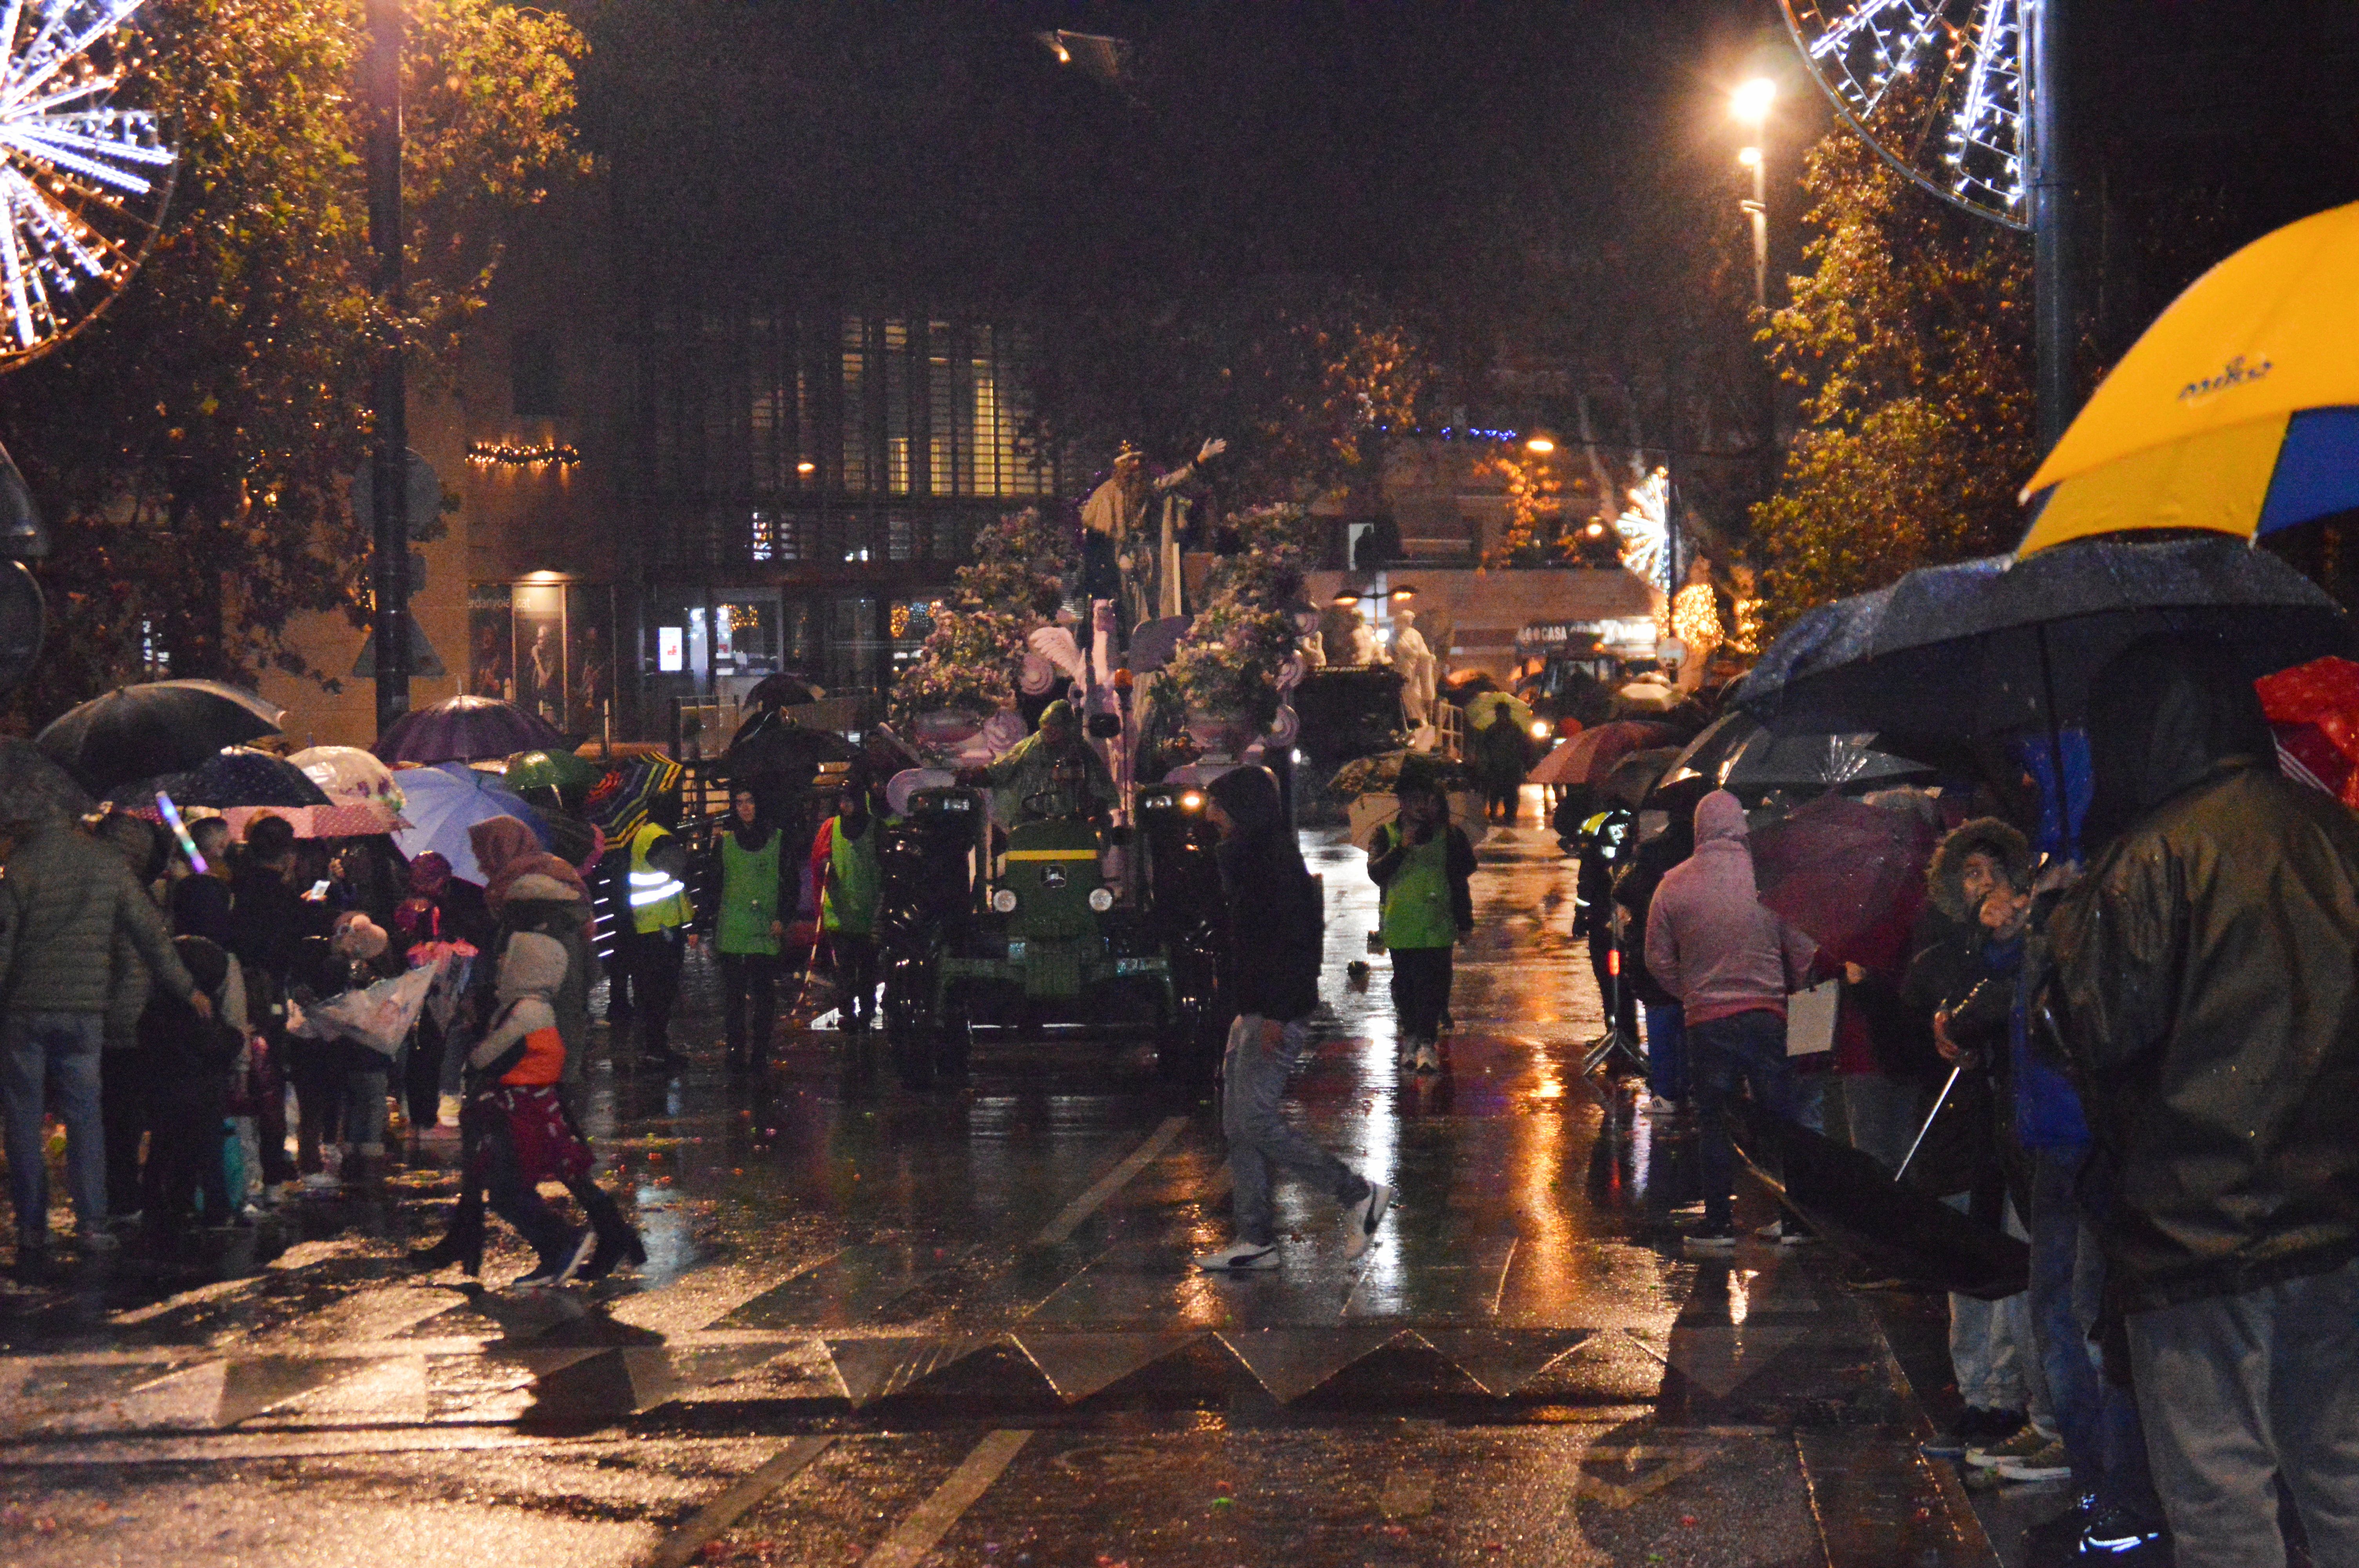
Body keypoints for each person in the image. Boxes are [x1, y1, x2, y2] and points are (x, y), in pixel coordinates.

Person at [2045, 635, 2359, 1568]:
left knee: (2218, 1488)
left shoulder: (2146, 859)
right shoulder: (2335, 837)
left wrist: (2060, 926)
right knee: (2339, 1464)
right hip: (2338, 1218)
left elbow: (2084, 1032)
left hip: (2192, 1228)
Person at [1194, 765, 1392, 1271]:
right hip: (1257, 1009)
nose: (1211, 814)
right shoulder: (1250, 859)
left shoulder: (1272, 866)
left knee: (1255, 1120)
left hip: (1275, 1011)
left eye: (1217, 804)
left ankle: (1357, 1195)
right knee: (1239, 1125)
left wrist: (1275, 1014)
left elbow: (1292, 946)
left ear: (1242, 808)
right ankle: (1255, 1238)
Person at [0, 804, 206, 1260]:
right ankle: (92, 1222)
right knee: (85, 1116)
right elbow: (150, 935)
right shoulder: (107, 865)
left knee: (22, 1118)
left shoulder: (22, 863)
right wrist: (188, 988)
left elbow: (5, 941)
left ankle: (32, 1228)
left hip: (25, 1010)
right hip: (85, 1012)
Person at [1643, 789, 1819, 1254]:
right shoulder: (1768, 879)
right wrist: (1792, 988)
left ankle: (1719, 1222)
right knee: (1778, 1120)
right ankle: (1794, 1218)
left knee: (1714, 1119)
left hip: (1707, 1021)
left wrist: (1690, 993)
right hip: (1767, 1016)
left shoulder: (1673, 885)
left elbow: (1656, 958)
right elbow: (1801, 950)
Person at [457, 932, 600, 1287]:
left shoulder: (525, 1012)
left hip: (519, 1113)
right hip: (527, 1108)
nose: (503, 961)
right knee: (511, 1188)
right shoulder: (534, 1008)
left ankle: (561, 1244)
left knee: (507, 1190)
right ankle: (557, 1250)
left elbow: (483, 1057)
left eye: (512, 957)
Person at [227, 814, 318, 1196]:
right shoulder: (286, 899)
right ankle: (272, 1178)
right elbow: (295, 949)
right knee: (271, 1081)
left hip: (230, 994)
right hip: (271, 999)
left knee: (236, 1080)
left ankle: (236, 1174)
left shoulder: (232, 890)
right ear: (287, 855)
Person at [1367, 771, 1472, 1074]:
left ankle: (1428, 1041)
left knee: (1436, 985)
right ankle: (1411, 1036)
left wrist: (1465, 922)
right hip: (1402, 923)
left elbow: (1460, 879)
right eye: (1413, 800)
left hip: (1438, 924)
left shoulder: (1450, 835)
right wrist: (1403, 847)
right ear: (1400, 803)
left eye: (1427, 800)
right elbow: (1377, 873)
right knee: (1406, 984)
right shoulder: (1386, 835)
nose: (1421, 807)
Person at [137, 935, 244, 1230]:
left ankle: (160, 1204)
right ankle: (216, 1209)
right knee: (209, 1154)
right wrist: (236, 1037)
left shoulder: (156, 1012)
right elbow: (222, 1045)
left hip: (164, 1093)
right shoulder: (203, 1015)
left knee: (163, 1149)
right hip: (204, 1094)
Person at [94, 809, 169, 1221]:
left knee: (110, 1115)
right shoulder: (135, 895)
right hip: (130, 1021)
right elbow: (140, 965)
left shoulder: (96, 888)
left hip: (102, 1016)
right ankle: (126, 1197)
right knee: (125, 1116)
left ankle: (113, 1195)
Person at [710, 786, 794, 1069]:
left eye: (750, 802)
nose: (745, 808)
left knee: (763, 994)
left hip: (764, 929)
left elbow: (790, 883)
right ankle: (736, 1050)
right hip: (733, 929)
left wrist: (783, 917)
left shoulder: (778, 840)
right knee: (734, 996)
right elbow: (713, 884)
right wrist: (703, 923)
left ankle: (759, 1051)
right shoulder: (726, 842)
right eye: (739, 803)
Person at [617, 794, 692, 1069]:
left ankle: (654, 1049)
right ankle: (656, 1050)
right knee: (661, 991)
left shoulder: (645, 834)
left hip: (651, 925)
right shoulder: (658, 836)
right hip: (659, 928)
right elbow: (678, 865)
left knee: (651, 992)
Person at [963, 699, 1115, 825]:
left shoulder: (1080, 749)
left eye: (1055, 730)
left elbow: (1100, 783)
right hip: (1032, 816)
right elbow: (1002, 768)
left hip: (1072, 819)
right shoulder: (1029, 746)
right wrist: (974, 775)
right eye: (1047, 730)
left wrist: (1099, 808)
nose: (1050, 735)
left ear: (1067, 728)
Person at [807, 783, 882, 1034]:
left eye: (849, 800)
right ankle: (847, 1012)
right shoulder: (831, 827)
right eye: (842, 800)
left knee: (868, 967)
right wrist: (824, 865)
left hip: (867, 912)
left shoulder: (876, 829)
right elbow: (818, 858)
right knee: (845, 969)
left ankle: (868, 1009)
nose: (844, 806)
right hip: (838, 912)